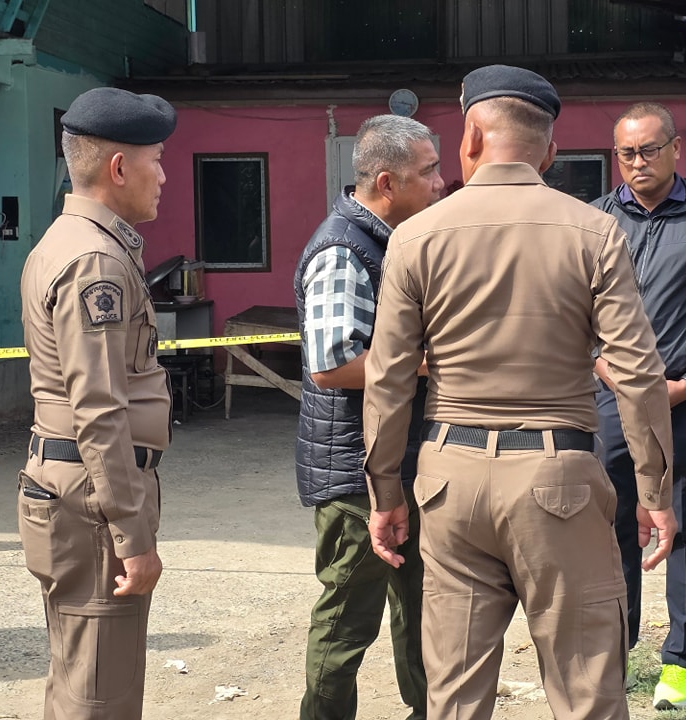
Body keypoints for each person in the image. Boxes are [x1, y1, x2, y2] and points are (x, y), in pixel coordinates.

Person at [364, 64, 677, 720]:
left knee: (455, 695)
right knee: (587, 692)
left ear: (472, 136)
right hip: (558, 481)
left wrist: (385, 491)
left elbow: (388, 378)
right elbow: (638, 373)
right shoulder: (594, 232)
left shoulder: (415, 237)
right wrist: (654, 491)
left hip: (448, 481)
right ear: (550, 151)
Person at [18, 87, 176, 720]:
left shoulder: (71, 241)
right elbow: (99, 410)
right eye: (156, 160)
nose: (163, 176)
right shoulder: (95, 262)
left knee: (81, 678)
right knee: (99, 695)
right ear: (118, 167)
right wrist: (132, 536)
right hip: (91, 499)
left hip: (76, 488)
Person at [294, 114, 443, 720]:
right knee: (347, 622)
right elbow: (333, 365)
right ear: (387, 182)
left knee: (423, 610)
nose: (440, 182)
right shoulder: (343, 250)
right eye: (428, 171)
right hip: (355, 471)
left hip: (395, 459)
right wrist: (434, 362)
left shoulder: (389, 241)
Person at [591, 102, 686, 710]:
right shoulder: (595, 220)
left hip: (684, 401)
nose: (637, 162)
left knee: (685, 527)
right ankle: (617, 649)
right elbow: (578, 308)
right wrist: (604, 368)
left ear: (675, 149)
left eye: (649, 150)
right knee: (612, 524)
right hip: (610, 401)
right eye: (626, 153)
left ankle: (680, 662)